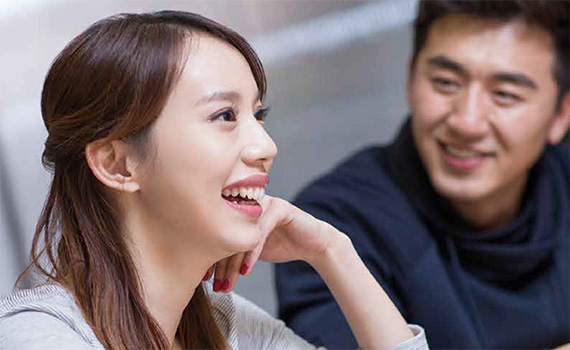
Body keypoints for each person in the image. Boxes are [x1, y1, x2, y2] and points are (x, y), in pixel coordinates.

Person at [0, 10, 428, 350]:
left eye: (257, 116)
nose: (265, 146)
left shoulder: (226, 323)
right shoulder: (40, 338)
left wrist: (333, 251)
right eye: (224, 116)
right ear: (117, 165)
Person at [276, 0, 570, 349]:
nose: (467, 122)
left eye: (504, 94)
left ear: (560, 115)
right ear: (411, 76)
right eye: (446, 82)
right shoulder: (331, 227)